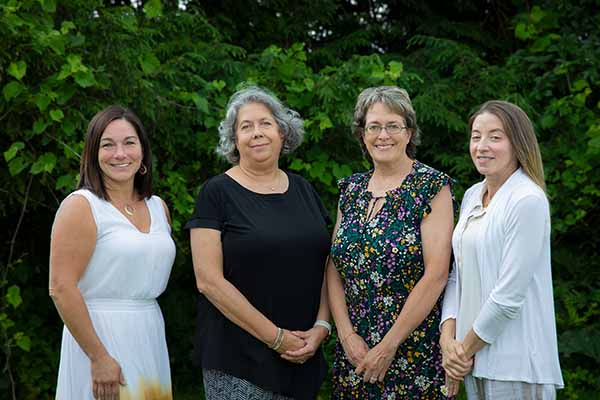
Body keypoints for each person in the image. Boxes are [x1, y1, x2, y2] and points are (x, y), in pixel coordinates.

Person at [186, 86, 331, 400]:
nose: (257, 133)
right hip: (237, 359)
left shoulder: (305, 190)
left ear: (282, 131)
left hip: (302, 356)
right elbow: (208, 281)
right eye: (245, 126)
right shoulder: (216, 193)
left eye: (265, 123)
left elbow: (327, 264)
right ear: (234, 140)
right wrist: (277, 338)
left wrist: (322, 325)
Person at [327, 86, 455, 399]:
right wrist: (346, 336)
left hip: (412, 353)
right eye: (374, 126)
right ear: (362, 134)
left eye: (393, 126)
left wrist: (388, 345)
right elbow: (333, 265)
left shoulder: (432, 186)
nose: (383, 135)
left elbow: (436, 274)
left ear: (409, 133)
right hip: (355, 354)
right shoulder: (351, 190)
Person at [49, 105, 175, 400]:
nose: (120, 154)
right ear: (93, 153)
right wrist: (98, 357)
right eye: (108, 145)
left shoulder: (158, 207)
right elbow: (61, 287)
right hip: (99, 336)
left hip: (148, 330)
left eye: (129, 143)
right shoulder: (82, 206)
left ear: (143, 151)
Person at [440, 100, 564, 398]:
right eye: (476, 136)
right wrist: (448, 340)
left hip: (518, 364)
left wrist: (462, 352)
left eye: (495, 137)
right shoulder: (472, 196)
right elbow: (458, 275)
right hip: (474, 362)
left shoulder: (527, 200)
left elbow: (508, 296)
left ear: (517, 144)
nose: (482, 146)